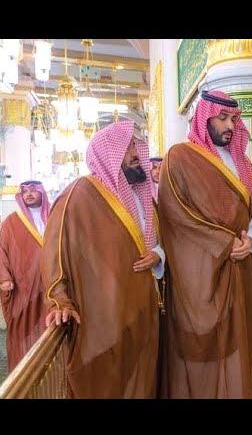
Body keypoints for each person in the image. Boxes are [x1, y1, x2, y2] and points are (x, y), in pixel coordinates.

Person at [41, 121, 166, 398]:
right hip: (102, 322)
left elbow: (160, 241)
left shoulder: (140, 194)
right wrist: (59, 299)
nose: (136, 153)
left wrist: (158, 255)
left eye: (136, 146)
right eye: (128, 147)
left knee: (143, 385)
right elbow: (55, 249)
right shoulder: (79, 194)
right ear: (109, 152)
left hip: (144, 315)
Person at [158, 90, 252, 398]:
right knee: (202, 350)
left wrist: (250, 240)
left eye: (234, 119)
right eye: (222, 118)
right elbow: (175, 215)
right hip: (201, 273)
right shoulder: (179, 157)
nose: (229, 125)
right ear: (204, 118)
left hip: (239, 267)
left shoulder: (242, 163)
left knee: (237, 342)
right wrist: (224, 243)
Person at [0, 180, 50, 371]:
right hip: (23, 289)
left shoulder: (54, 216)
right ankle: (24, 370)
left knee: (50, 326)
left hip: (51, 285)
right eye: (25, 191)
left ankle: (50, 369)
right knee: (23, 329)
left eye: (33, 190)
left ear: (41, 192)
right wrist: (4, 278)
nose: (29, 194)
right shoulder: (12, 221)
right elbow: (1, 250)